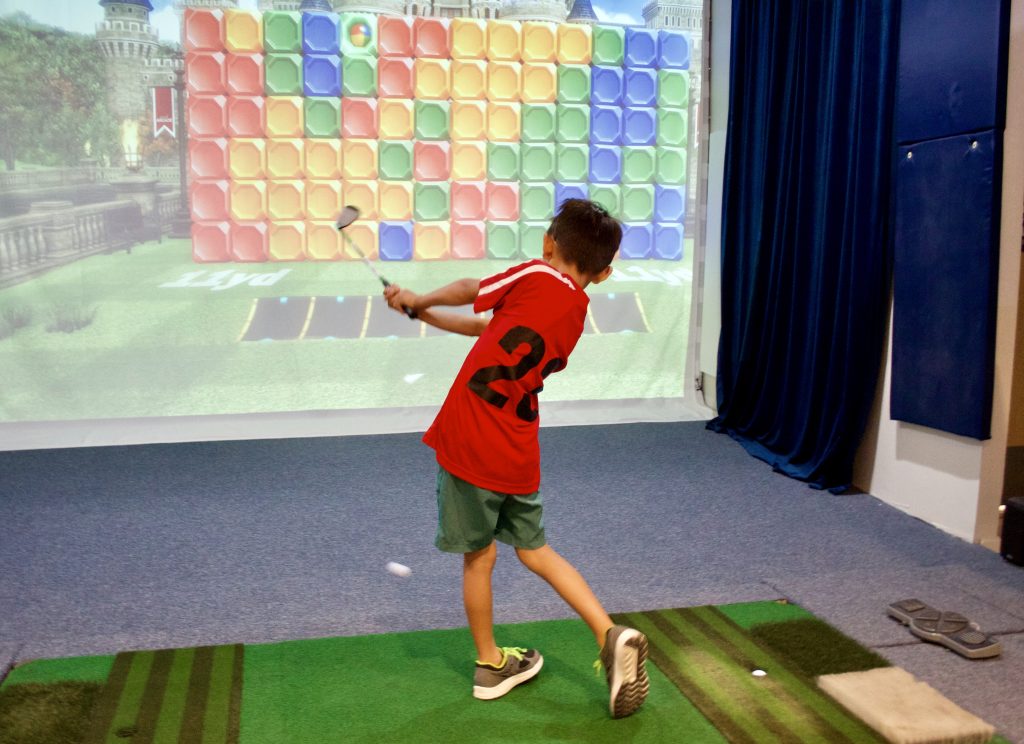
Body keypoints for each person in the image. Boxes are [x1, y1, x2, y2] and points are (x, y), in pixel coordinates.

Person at [383, 199, 649, 719]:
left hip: (470, 437)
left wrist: (420, 296)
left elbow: (472, 290)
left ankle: (490, 664)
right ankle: (609, 633)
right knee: (536, 551)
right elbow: (489, 331)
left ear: (548, 244)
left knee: (479, 557)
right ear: (604, 273)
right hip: (517, 447)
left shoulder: (535, 273)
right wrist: (423, 314)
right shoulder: (576, 314)